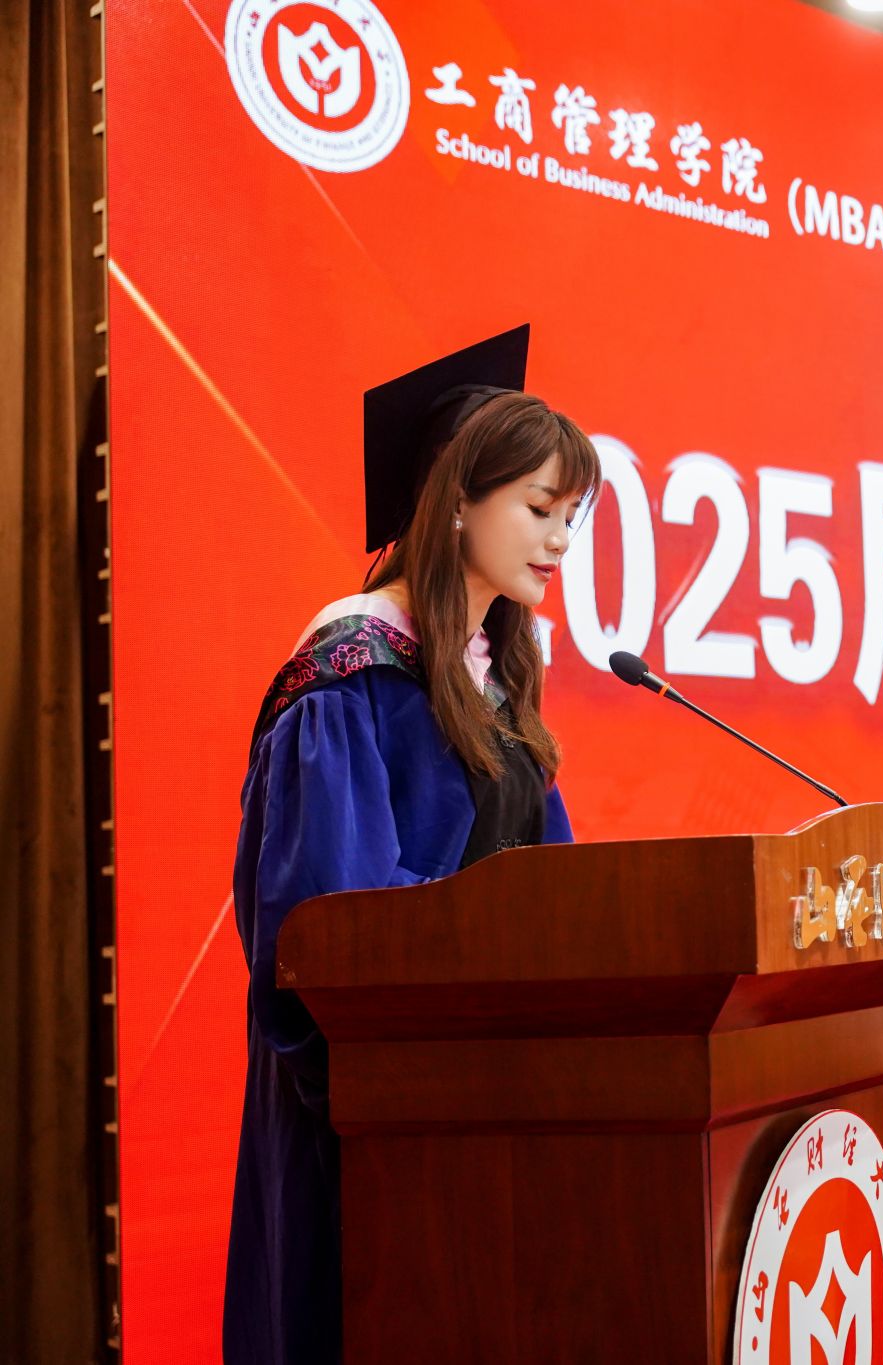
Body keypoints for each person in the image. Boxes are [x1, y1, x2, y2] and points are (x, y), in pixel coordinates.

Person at [224, 325, 601, 1365]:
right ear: (456, 501)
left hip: (488, 1098)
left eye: (570, 518)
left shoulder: (495, 681)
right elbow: (330, 924)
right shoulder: (351, 672)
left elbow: (559, 888)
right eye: (540, 509)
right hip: (375, 1110)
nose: (559, 541)